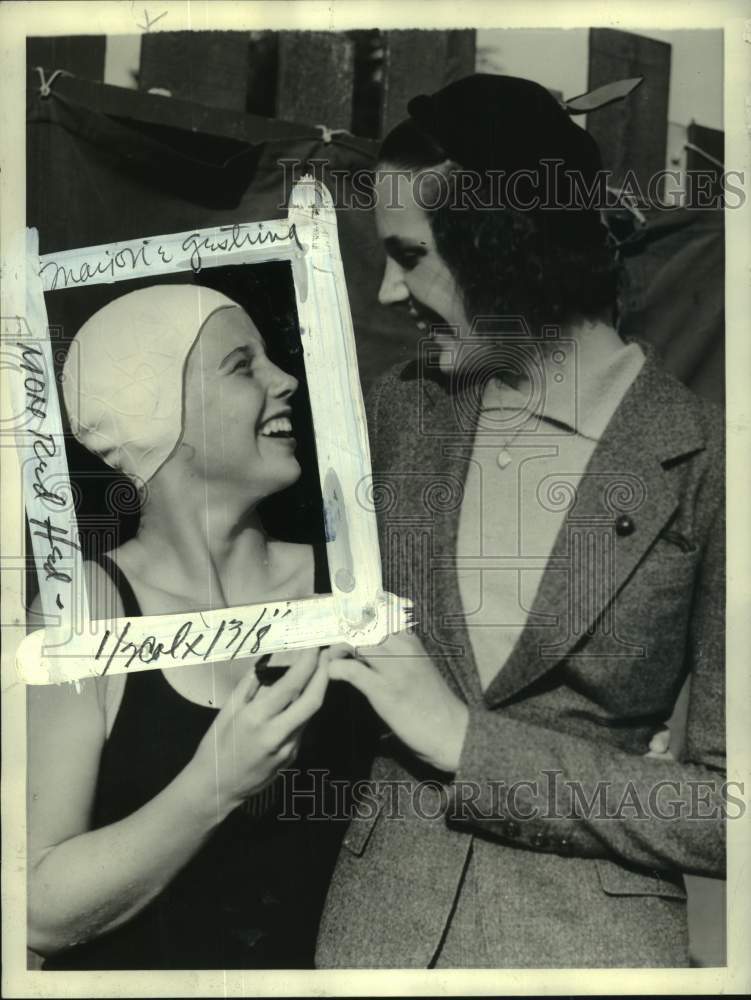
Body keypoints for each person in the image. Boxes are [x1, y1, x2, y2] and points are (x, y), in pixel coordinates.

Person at [316, 75, 725, 968]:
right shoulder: (395, 414)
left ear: (501, 245)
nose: (387, 292)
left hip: (589, 954)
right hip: (373, 944)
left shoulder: (708, 463)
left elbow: (728, 815)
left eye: (409, 254)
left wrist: (468, 745)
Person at [27, 284, 349, 970]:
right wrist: (215, 783)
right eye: (242, 365)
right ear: (158, 412)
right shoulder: (84, 609)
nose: (286, 379)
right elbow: (39, 908)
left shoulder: (346, 580)